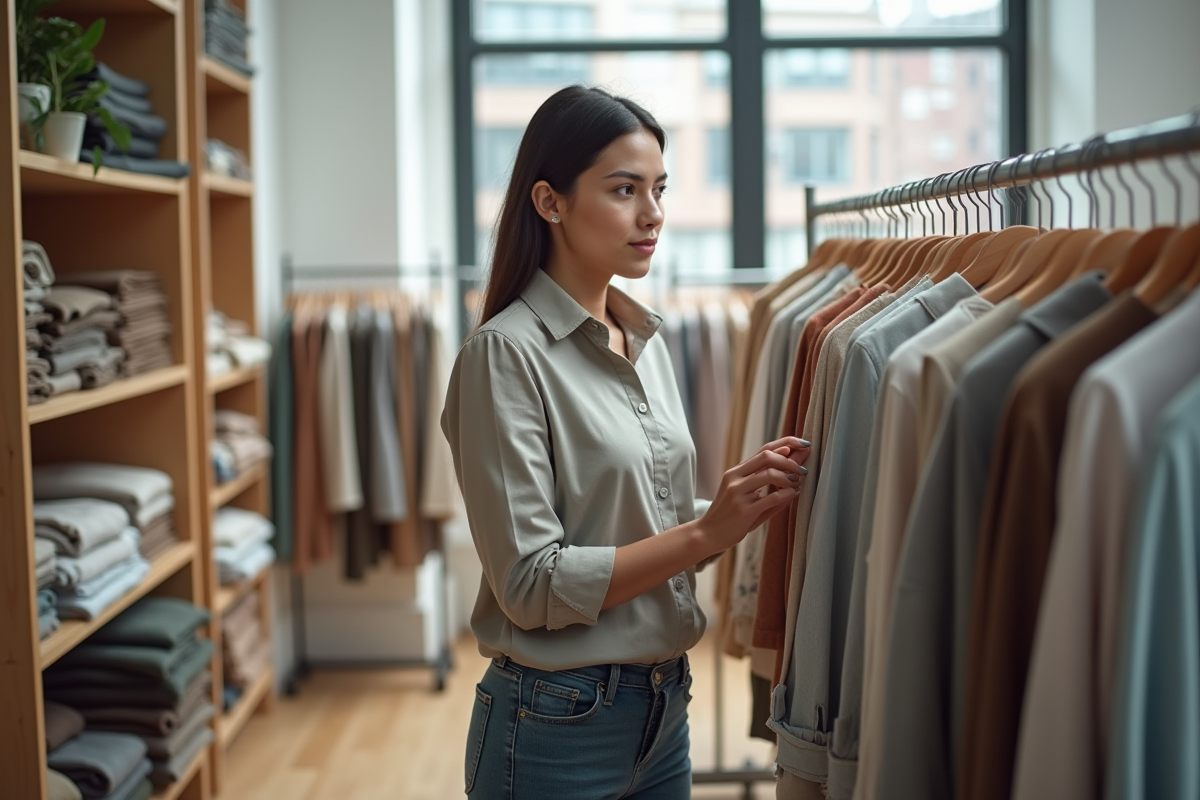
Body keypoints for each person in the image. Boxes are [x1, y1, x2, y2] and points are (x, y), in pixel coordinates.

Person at [442, 85, 810, 800]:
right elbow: (529, 584)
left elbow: (640, 516)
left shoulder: (642, 337)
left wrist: (748, 503)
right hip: (554, 721)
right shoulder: (504, 356)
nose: (654, 215)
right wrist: (708, 531)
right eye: (624, 190)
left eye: (659, 189)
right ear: (549, 202)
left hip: (664, 706)